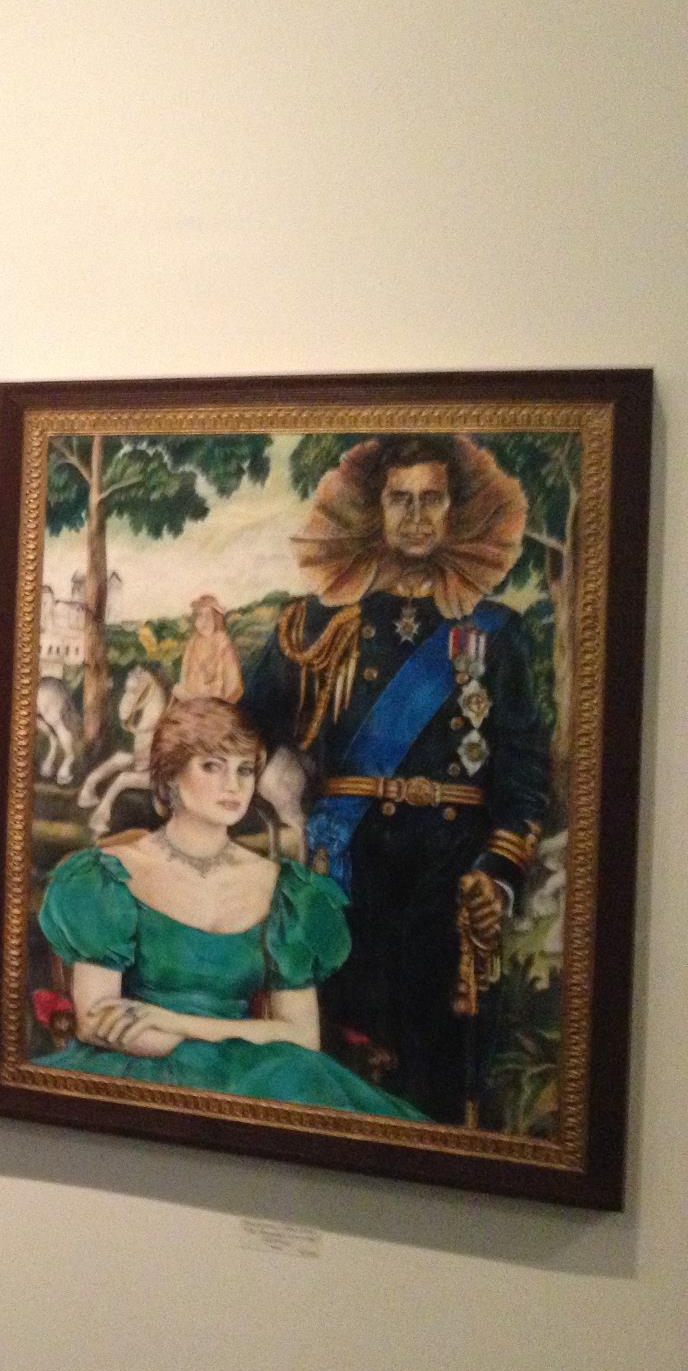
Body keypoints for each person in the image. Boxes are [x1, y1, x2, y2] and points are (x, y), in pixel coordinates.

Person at [243, 434, 549, 1124]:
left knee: (435, 1079)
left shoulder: (498, 633)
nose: (414, 516)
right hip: (346, 872)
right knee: (341, 1072)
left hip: (451, 876)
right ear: (373, 507)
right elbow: (243, 729)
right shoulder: (315, 624)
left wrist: (496, 874)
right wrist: (285, 803)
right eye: (399, 499)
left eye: (430, 499)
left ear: (454, 509)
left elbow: (524, 774)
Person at [37, 697, 423, 1119]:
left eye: (244, 770)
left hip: (260, 1074)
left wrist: (178, 1024)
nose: (233, 785)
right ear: (170, 776)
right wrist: (170, 1038)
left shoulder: (286, 890)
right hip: (140, 1066)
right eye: (212, 766)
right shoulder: (107, 876)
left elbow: (301, 1036)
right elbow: (97, 1022)